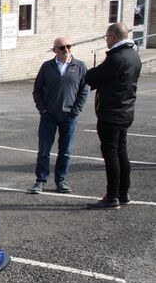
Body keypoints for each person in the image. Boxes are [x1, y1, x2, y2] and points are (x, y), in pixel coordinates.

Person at [85, 22, 142, 209]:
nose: (106, 40)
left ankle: (112, 196)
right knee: (121, 151)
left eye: (107, 37)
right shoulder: (134, 55)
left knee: (111, 154)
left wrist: (90, 72)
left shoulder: (116, 58)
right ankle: (124, 193)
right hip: (126, 110)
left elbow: (93, 77)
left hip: (111, 113)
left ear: (114, 36)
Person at [28, 37, 89, 194]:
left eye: (69, 46)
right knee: (44, 150)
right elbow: (37, 90)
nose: (66, 50)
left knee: (65, 150)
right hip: (49, 115)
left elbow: (84, 90)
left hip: (69, 116)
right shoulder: (47, 66)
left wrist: (76, 110)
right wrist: (42, 109)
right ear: (55, 50)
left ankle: (61, 180)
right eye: (62, 47)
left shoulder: (80, 66)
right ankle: (40, 180)